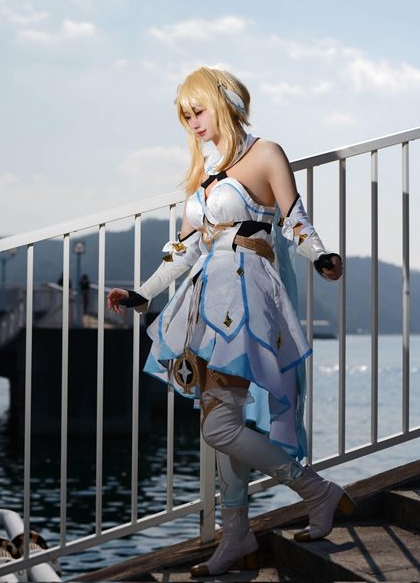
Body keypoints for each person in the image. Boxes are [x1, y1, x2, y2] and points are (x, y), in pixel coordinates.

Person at [107, 67, 355, 577]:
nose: (193, 123)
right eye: (185, 116)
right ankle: (237, 534)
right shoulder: (204, 170)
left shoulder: (266, 154)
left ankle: (316, 491)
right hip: (205, 297)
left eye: (197, 110)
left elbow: (295, 218)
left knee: (219, 426)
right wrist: (143, 293)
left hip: (246, 292)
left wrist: (321, 256)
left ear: (221, 103)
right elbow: (183, 248)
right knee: (222, 418)